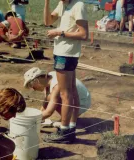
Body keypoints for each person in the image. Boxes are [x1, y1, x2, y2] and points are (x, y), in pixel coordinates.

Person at [43, 0, 89, 143]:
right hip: (62, 52)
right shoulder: (62, 4)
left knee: (65, 93)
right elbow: (47, 21)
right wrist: (47, 3)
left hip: (66, 54)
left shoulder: (78, 5)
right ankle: (71, 127)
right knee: (72, 91)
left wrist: (59, 32)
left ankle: (64, 131)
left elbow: (83, 34)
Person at [24, 67, 91, 142]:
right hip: (78, 99)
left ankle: (66, 123)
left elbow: (49, 111)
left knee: (54, 99)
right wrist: (40, 117)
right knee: (50, 97)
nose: (33, 89)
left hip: (82, 103)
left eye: (32, 85)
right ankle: (66, 119)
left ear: (36, 80)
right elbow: (46, 100)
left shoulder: (56, 84)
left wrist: (30, 121)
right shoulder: (49, 77)